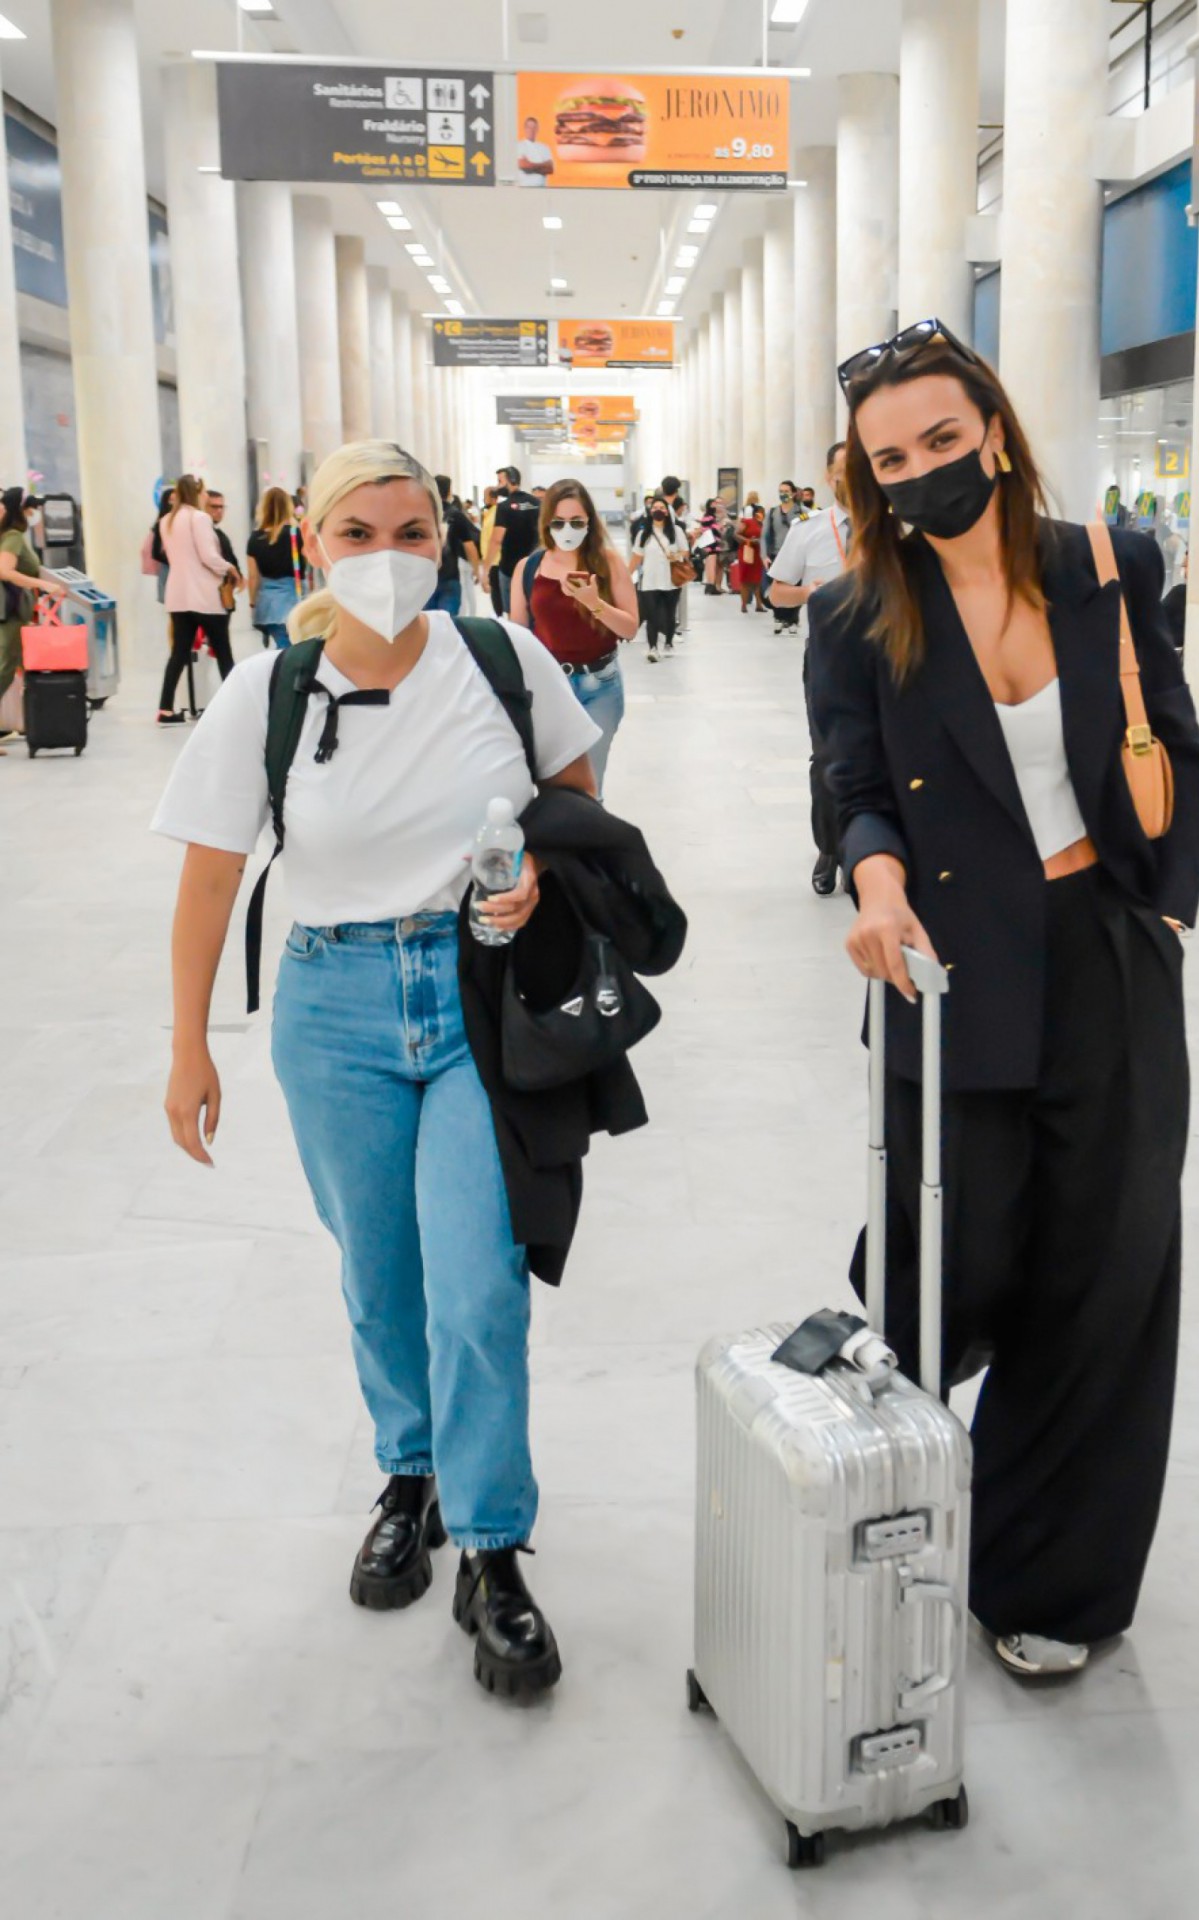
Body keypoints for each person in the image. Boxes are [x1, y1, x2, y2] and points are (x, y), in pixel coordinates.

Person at [154, 440, 607, 1701]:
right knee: (380, 1273)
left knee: (479, 1280)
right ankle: (408, 1472)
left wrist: (533, 879)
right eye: (359, 533)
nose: (389, 556)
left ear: (449, 540)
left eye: (413, 530)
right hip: (333, 1004)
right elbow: (206, 880)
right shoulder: (270, 689)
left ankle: (491, 1546)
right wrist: (190, 1042)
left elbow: (580, 813)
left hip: (479, 1001)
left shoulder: (503, 664)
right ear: (314, 548)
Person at [810, 318, 1199, 1681]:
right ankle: (897, 1483)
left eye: (937, 440)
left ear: (991, 429)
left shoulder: (1108, 561)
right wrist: (868, 884)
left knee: (1106, 1272)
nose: (920, 470)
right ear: (864, 476)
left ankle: (1046, 1581)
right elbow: (851, 785)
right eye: (888, 457)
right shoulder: (855, 612)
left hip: (1103, 949)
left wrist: (1164, 900)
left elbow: (1173, 732)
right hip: (948, 964)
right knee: (951, 1260)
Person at [510, 478, 639, 796]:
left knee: (590, 785)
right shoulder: (529, 569)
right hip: (548, 687)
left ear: (589, 523)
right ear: (547, 523)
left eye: (577, 522)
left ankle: (589, 842)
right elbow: (518, 636)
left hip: (601, 686)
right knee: (548, 784)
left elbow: (630, 628)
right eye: (559, 522)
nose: (568, 530)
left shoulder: (607, 563)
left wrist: (594, 603)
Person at [769, 441, 851, 895]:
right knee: (826, 758)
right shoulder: (808, 530)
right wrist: (809, 593)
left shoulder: (897, 528)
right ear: (826, 477)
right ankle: (830, 848)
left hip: (888, 654)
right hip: (828, 656)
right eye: (841, 471)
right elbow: (776, 593)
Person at [156, 474, 237, 725]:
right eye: (203, 493)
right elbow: (208, 556)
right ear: (197, 492)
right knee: (223, 651)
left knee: (178, 652)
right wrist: (230, 568)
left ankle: (165, 708)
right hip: (204, 595)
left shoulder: (166, 521)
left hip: (178, 595)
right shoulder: (199, 518)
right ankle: (238, 703)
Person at [0, 487, 67, 749]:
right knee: (6, 666)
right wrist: (43, 584)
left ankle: (42, 723)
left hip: (14, 611)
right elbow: (5, 571)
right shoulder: (14, 536)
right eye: (31, 507)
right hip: (10, 612)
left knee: (17, 665)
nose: (35, 512)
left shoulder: (12, 535)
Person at [630, 494, 688, 661]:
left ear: (667, 512)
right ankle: (653, 648)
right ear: (650, 511)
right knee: (651, 616)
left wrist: (676, 556)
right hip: (649, 581)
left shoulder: (676, 532)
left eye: (661, 508)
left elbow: (685, 552)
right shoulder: (644, 533)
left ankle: (668, 643)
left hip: (671, 580)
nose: (658, 511)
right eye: (655, 508)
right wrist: (626, 576)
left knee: (669, 614)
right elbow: (636, 557)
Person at [247, 487, 302, 650]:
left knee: (283, 645)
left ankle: (284, 673)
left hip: (268, 603)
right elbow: (306, 570)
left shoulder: (255, 538)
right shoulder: (297, 534)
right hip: (294, 598)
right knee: (293, 646)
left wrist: (252, 603)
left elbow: (253, 577)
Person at [487, 466, 540, 614]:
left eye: (500, 481)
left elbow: (496, 540)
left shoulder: (504, 507)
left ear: (511, 480)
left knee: (514, 613)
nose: (497, 486)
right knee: (534, 611)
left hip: (509, 569)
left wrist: (485, 569)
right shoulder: (536, 503)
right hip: (535, 566)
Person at [427, 474, 480, 617]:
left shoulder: (423, 512)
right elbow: (469, 546)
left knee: (427, 623)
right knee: (448, 622)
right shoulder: (456, 515)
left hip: (426, 576)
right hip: (449, 576)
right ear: (449, 491)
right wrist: (476, 569)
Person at [763, 482, 802, 634]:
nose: (783, 494)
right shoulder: (772, 513)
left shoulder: (802, 512)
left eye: (786, 491)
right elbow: (764, 536)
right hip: (776, 555)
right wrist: (764, 555)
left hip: (796, 556)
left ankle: (793, 619)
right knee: (775, 588)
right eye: (780, 491)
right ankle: (778, 617)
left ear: (793, 493)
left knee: (795, 588)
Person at [205, 490, 246, 605]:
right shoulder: (205, 533)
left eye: (221, 507)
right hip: (211, 593)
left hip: (224, 591)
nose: (219, 511)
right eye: (214, 507)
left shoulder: (219, 533)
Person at [733, 501, 767, 614]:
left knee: (757, 579)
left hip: (758, 554)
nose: (761, 515)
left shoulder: (764, 524)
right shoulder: (747, 522)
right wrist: (748, 540)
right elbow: (736, 534)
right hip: (746, 551)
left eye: (763, 513)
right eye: (759, 512)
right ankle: (743, 604)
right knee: (745, 579)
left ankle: (759, 604)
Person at [516, 114, 554, 185]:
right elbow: (524, 166)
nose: (531, 130)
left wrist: (531, 165)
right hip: (524, 188)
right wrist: (542, 166)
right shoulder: (519, 146)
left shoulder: (544, 147)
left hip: (542, 189)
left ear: (537, 129)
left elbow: (550, 169)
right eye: (529, 127)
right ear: (525, 128)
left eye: (534, 128)